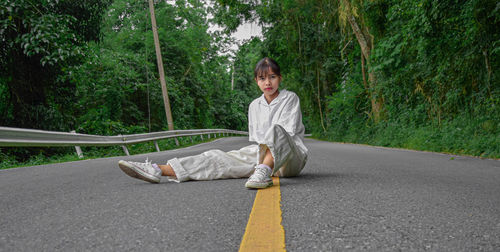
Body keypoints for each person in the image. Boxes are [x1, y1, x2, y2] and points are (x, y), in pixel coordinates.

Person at [118, 57, 308, 189]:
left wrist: (265, 164)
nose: (268, 82)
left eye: (272, 77)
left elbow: (286, 135)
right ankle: (158, 170)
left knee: (277, 131)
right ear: (256, 81)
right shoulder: (254, 106)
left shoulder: (289, 98)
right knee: (216, 157)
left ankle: (264, 170)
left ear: (280, 79)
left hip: (291, 159)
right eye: (262, 78)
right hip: (261, 156)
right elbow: (259, 143)